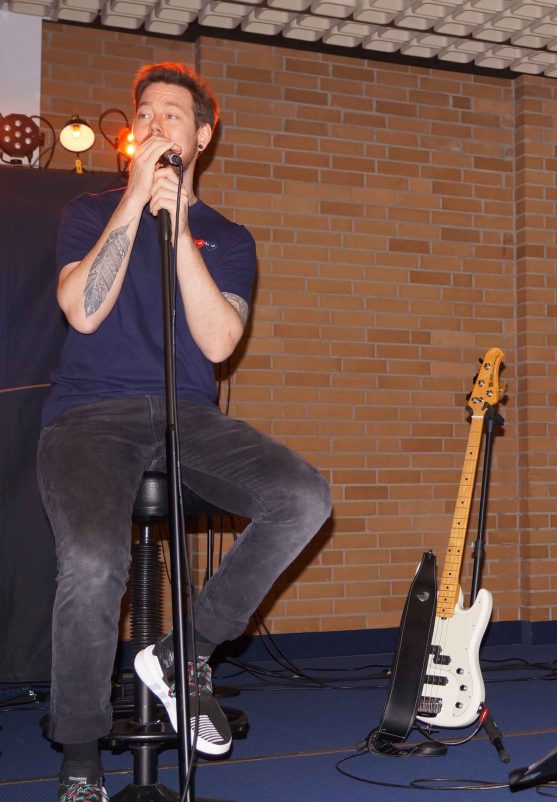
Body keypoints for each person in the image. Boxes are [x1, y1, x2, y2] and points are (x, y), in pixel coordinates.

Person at [38, 62, 332, 801]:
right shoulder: (89, 210)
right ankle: (80, 760)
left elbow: (220, 342)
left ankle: (184, 654)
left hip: (187, 418)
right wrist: (135, 200)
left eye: (171, 112)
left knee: (303, 497)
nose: (153, 121)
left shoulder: (228, 237)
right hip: (89, 417)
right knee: (93, 562)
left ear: (202, 136)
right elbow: (82, 311)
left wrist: (178, 233)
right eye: (144, 111)